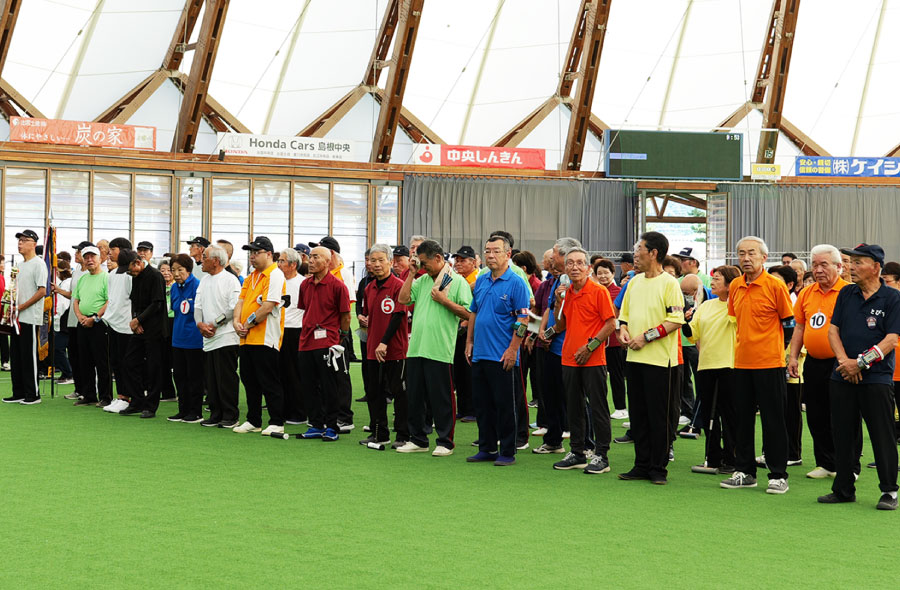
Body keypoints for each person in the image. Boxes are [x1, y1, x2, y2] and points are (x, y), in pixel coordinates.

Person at [819, 243, 900, 511]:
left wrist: (860, 364)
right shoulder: (846, 294)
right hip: (842, 375)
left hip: (876, 378)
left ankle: (889, 491)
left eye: (859, 262)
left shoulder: (892, 298)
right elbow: (833, 330)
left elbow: (891, 339)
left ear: (876, 267)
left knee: (882, 435)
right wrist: (845, 362)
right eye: (851, 262)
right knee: (842, 433)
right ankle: (843, 488)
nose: (852, 267)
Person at [720, 236, 794, 494]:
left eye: (751, 253)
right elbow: (734, 321)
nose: (745, 258)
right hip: (741, 363)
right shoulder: (736, 286)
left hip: (770, 363)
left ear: (764, 257)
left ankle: (778, 475)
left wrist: (780, 353)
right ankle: (744, 471)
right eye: (741, 253)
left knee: (773, 421)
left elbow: (789, 324)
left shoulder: (775, 285)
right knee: (742, 420)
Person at [617, 231, 685, 485]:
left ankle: (658, 467)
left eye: (639, 249)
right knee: (639, 414)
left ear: (653, 253)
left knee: (660, 415)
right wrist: (623, 331)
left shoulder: (669, 283)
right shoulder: (633, 282)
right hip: (635, 359)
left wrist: (645, 337)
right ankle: (641, 464)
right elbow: (622, 317)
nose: (635, 254)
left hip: (661, 362)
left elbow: (676, 320)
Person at [396, 239, 472, 455]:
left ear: (438, 258)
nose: (421, 266)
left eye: (423, 262)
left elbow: (468, 314)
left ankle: (445, 442)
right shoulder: (421, 281)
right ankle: (418, 439)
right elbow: (403, 299)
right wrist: (411, 274)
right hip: (416, 348)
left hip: (440, 349)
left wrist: (445, 301)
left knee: (442, 398)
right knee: (415, 397)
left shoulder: (457, 281)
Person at [547, 247, 617, 473]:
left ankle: (602, 456)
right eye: (570, 263)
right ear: (565, 267)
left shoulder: (598, 291)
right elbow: (560, 326)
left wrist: (590, 347)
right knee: (574, 407)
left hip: (593, 359)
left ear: (588, 268)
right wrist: (558, 302)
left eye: (579, 263)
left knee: (598, 407)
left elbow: (610, 324)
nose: (574, 267)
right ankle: (577, 451)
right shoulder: (567, 293)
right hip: (569, 358)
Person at [465, 235, 531, 465]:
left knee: (505, 406)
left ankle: (508, 451)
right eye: (487, 251)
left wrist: (513, 349)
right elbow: (474, 311)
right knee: (483, 405)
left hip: (503, 355)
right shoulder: (482, 280)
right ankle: (487, 448)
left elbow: (523, 319)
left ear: (508, 254)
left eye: (496, 251)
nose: (491, 255)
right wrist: (469, 342)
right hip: (480, 353)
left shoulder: (517, 282)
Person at [789, 245, 851, 479]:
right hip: (813, 362)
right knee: (816, 414)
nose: (818, 269)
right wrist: (793, 357)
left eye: (824, 264)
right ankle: (826, 463)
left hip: (841, 362)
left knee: (843, 416)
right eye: (815, 265)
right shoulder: (807, 293)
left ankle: (849, 466)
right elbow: (800, 327)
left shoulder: (849, 292)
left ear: (839, 267)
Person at [684, 265, 740, 474]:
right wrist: (685, 321)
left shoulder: (737, 305)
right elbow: (693, 333)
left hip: (730, 364)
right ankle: (712, 456)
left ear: (729, 284)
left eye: (717, 279)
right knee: (709, 413)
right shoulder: (706, 306)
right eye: (713, 278)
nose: (713, 282)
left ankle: (732, 458)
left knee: (730, 414)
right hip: (706, 364)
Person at [297, 246, 351, 441]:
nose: (310, 261)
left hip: (327, 341)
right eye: (310, 257)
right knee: (308, 385)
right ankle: (316, 424)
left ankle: (332, 427)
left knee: (329, 386)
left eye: (315, 257)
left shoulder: (338, 286)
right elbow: (306, 308)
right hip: (306, 341)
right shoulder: (305, 285)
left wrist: (340, 337)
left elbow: (345, 316)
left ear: (328, 262)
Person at [233, 236, 286, 436]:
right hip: (246, 337)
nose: (252, 257)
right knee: (249, 379)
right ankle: (253, 420)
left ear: (269, 254)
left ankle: (276, 421)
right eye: (251, 253)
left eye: (256, 253)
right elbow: (240, 302)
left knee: (269, 380)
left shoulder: (275, 275)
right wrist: (236, 322)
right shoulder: (250, 277)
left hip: (265, 337)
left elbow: (268, 306)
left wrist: (246, 324)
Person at [533, 238, 580, 455]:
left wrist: (550, 333)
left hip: (567, 347)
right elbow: (549, 309)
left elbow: (567, 318)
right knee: (549, 395)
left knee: (574, 398)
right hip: (550, 347)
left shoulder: (577, 280)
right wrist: (542, 331)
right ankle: (553, 440)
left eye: (555, 254)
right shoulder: (558, 279)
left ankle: (585, 445)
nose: (552, 259)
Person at [362, 244, 409, 448]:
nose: (377, 264)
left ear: (391, 262)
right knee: (374, 392)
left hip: (395, 349)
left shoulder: (399, 286)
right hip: (373, 349)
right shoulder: (368, 288)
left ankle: (403, 434)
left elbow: (398, 316)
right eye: (373, 260)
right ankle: (379, 433)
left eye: (381, 260)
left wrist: (384, 342)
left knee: (399, 393)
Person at [310, 235, 356, 432]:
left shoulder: (342, 274)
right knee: (324, 377)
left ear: (331, 254)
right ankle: (327, 415)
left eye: (319, 253)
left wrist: (341, 333)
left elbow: (347, 305)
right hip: (320, 334)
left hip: (337, 332)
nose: (313, 259)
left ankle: (345, 417)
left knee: (340, 374)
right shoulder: (316, 277)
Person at [194, 245, 242, 428]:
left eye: (204, 257)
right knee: (212, 379)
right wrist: (200, 324)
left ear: (215, 260)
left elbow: (233, 308)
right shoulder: (205, 280)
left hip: (226, 336)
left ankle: (230, 415)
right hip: (208, 337)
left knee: (226, 379)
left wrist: (213, 324)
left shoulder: (231, 280)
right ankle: (216, 414)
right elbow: (197, 306)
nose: (201, 261)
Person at [3, 230, 48, 404]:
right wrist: (11, 305)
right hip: (16, 318)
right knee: (16, 355)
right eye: (19, 240)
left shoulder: (39, 264)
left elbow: (42, 290)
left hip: (30, 317)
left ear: (33, 244)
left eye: (24, 240)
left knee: (29, 357)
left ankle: (33, 394)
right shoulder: (19, 265)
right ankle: (18, 392)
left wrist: (21, 306)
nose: (20, 243)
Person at [121, 249, 167, 419]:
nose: (129, 273)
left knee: (154, 368)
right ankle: (137, 400)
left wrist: (139, 320)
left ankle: (151, 406)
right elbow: (134, 301)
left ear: (137, 263)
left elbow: (157, 304)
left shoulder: (155, 276)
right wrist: (136, 320)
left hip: (155, 330)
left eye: (129, 269)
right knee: (129, 362)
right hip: (139, 328)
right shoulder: (136, 277)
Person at [768, 264, 804, 468]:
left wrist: (790, 356)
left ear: (790, 284)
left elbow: (797, 331)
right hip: (775, 362)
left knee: (790, 408)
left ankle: (793, 452)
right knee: (777, 408)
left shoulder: (793, 303)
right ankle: (775, 452)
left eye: (777, 279)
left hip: (793, 363)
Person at [71, 246, 111, 407]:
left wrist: (95, 318)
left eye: (92, 256)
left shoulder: (106, 278)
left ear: (100, 258)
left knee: (102, 362)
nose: (89, 260)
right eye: (86, 257)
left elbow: (109, 301)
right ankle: (89, 395)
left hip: (99, 325)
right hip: (82, 323)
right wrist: (80, 316)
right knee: (84, 361)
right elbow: (76, 300)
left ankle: (105, 396)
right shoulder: (82, 278)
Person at [167, 254, 204, 423]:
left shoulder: (198, 286)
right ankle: (182, 409)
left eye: (180, 270)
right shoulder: (174, 288)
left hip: (194, 339)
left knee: (194, 377)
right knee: (179, 376)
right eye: (173, 270)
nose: (176, 274)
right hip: (178, 338)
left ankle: (196, 411)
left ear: (188, 270)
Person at [102, 245, 135, 413]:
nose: (110, 253)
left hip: (127, 326)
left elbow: (132, 299)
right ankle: (121, 395)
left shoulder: (131, 275)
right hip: (113, 323)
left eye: (113, 250)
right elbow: (111, 298)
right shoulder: (112, 274)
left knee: (126, 363)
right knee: (115, 361)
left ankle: (128, 397)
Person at [593, 258, 627, 420]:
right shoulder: (594, 291)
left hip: (614, 340)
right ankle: (601, 407)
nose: (603, 276)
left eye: (606, 273)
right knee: (598, 376)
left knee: (616, 374)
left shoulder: (619, 292)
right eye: (599, 273)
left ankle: (621, 407)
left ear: (613, 274)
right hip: (596, 340)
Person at [277, 248, 307, 425]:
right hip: (277, 330)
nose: (278, 264)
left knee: (294, 373)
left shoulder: (303, 283)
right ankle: (284, 408)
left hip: (295, 331)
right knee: (279, 372)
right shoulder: (275, 281)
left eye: (282, 261)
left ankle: (298, 411)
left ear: (293, 264)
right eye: (278, 261)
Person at [452, 245, 478, 422]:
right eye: (457, 260)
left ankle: (472, 409)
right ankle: (463, 407)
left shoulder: (478, 278)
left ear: (474, 263)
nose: (459, 263)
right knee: (459, 371)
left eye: (463, 260)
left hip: (471, 330)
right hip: (458, 329)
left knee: (469, 371)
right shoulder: (457, 278)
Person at [53, 259, 74, 384]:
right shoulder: (65, 282)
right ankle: (67, 372)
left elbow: (63, 304)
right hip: (64, 319)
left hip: (63, 319)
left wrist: (55, 316)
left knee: (58, 349)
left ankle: (68, 373)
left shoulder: (66, 283)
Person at [158, 258, 177, 402]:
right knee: (162, 358)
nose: (166, 273)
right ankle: (167, 392)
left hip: (175, 322)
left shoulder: (177, 286)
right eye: (162, 270)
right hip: (161, 323)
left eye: (169, 270)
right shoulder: (157, 287)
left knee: (176, 359)